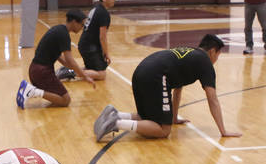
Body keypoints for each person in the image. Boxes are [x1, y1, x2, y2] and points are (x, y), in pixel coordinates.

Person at [93, 34, 242, 141]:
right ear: (212, 51)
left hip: (141, 72)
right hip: (155, 76)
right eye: (218, 54)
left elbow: (178, 89)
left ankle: (116, 115)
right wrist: (223, 131)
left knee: (149, 118)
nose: (217, 59)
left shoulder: (191, 54)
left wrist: (174, 117)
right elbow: (212, 99)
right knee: (163, 130)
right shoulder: (205, 63)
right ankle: (116, 123)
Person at [16, 9, 95, 109]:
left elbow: (64, 60)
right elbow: (70, 60)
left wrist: (75, 70)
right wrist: (84, 76)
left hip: (35, 71)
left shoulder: (58, 30)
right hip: (42, 72)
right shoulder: (64, 35)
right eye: (81, 25)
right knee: (65, 100)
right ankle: (33, 91)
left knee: (59, 95)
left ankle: (33, 90)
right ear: (74, 22)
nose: (82, 28)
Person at [59, 0, 116, 81]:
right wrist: (106, 53)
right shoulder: (103, 14)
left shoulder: (96, 8)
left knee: (92, 70)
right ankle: (70, 73)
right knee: (101, 74)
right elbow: (102, 37)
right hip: (90, 47)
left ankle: (67, 70)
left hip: (85, 44)